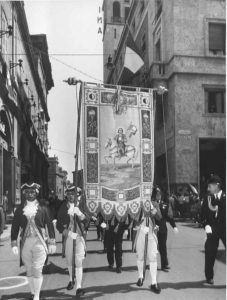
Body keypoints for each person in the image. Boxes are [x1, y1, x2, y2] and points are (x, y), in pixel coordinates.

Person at [11, 183, 56, 300]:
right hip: (25, 243)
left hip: (40, 242)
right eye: (27, 192)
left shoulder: (44, 208)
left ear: (36, 193)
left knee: (37, 269)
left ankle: (36, 295)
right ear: (24, 193)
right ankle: (33, 292)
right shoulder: (19, 209)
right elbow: (15, 226)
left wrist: (52, 242)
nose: (30, 194)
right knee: (29, 269)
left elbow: (49, 225)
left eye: (32, 192)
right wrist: (14, 243)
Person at [56, 186, 90, 297]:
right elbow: (58, 225)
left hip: (79, 237)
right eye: (69, 194)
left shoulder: (82, 205)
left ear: (78, 195)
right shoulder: (62, 207)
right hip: (69, 237)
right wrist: (68, 233)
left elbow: (87, 221)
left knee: (79, 261)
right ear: (66, 195)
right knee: (70, 260)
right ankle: (71, 279)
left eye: (74, 194)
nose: (71, 196)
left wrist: (80, 214)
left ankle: (79, 287)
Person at [132, 196, 162, 294]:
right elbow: (133, 217)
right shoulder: (137, 203)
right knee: (140, 255)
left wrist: (153, 210)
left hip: (151, 234)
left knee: (153, 257)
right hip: (140, 233)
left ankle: (154, 282)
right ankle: (140, 276)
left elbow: (159, 217)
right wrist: (140, 226)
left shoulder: (154, 204)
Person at [201, 175, 226, 284]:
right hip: (212, 229)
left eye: (210, 186)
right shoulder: (207, 198)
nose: (208, 189)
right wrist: (206, 225)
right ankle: (209, 276)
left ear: (217, 185)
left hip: (225, 229)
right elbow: (202, 215)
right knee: (210, 252)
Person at [152, 187, 179, 272]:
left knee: (163, 247)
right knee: (152, 248)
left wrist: (174, 226)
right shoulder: (151, 204)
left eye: (159, 194)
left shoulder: (165, 204)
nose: (158, 196)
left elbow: (169, 217)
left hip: (163, 229)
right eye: (157, 194)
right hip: (153, 228)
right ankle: (152, 264)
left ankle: (164, 264)